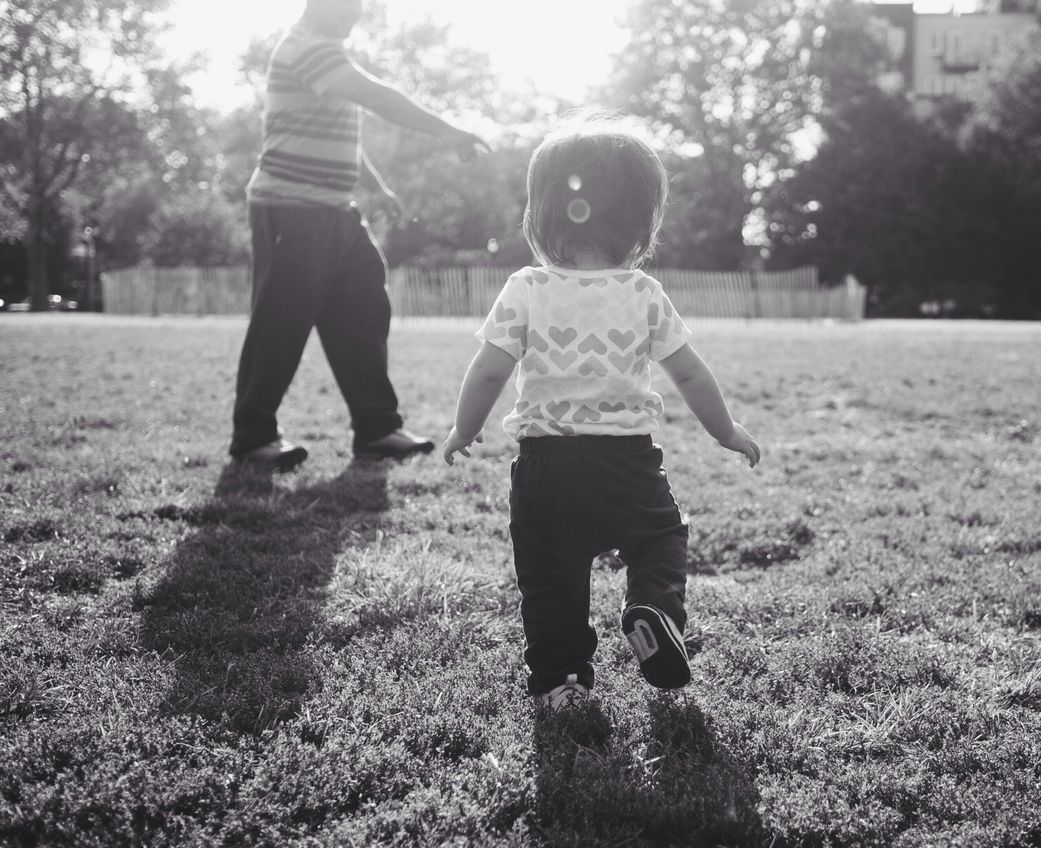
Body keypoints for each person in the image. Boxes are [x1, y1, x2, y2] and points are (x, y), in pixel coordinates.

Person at [441, 115, 762, 711]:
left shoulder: (527, 288)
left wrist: (464, 429)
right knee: (660, 536)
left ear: (540, 213)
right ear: (643, 221)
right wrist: (726, 430)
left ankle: (562, 681)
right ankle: (652, 608)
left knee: (551, 582)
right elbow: (689, 371)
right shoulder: (643, 293)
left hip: (545, 468)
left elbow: (489, 369)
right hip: (628, 463)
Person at [231, 0, 488, 470]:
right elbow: (378, 97)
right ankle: (252, 438)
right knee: (281, 322)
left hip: (336, 211)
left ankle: (376, 429)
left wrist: (379, 188)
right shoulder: (306, 47)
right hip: (290, 208)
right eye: (348, 7)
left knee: (364, 309)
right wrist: (446, 130)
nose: (357, 14)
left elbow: (343, 136)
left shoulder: (327, 52)